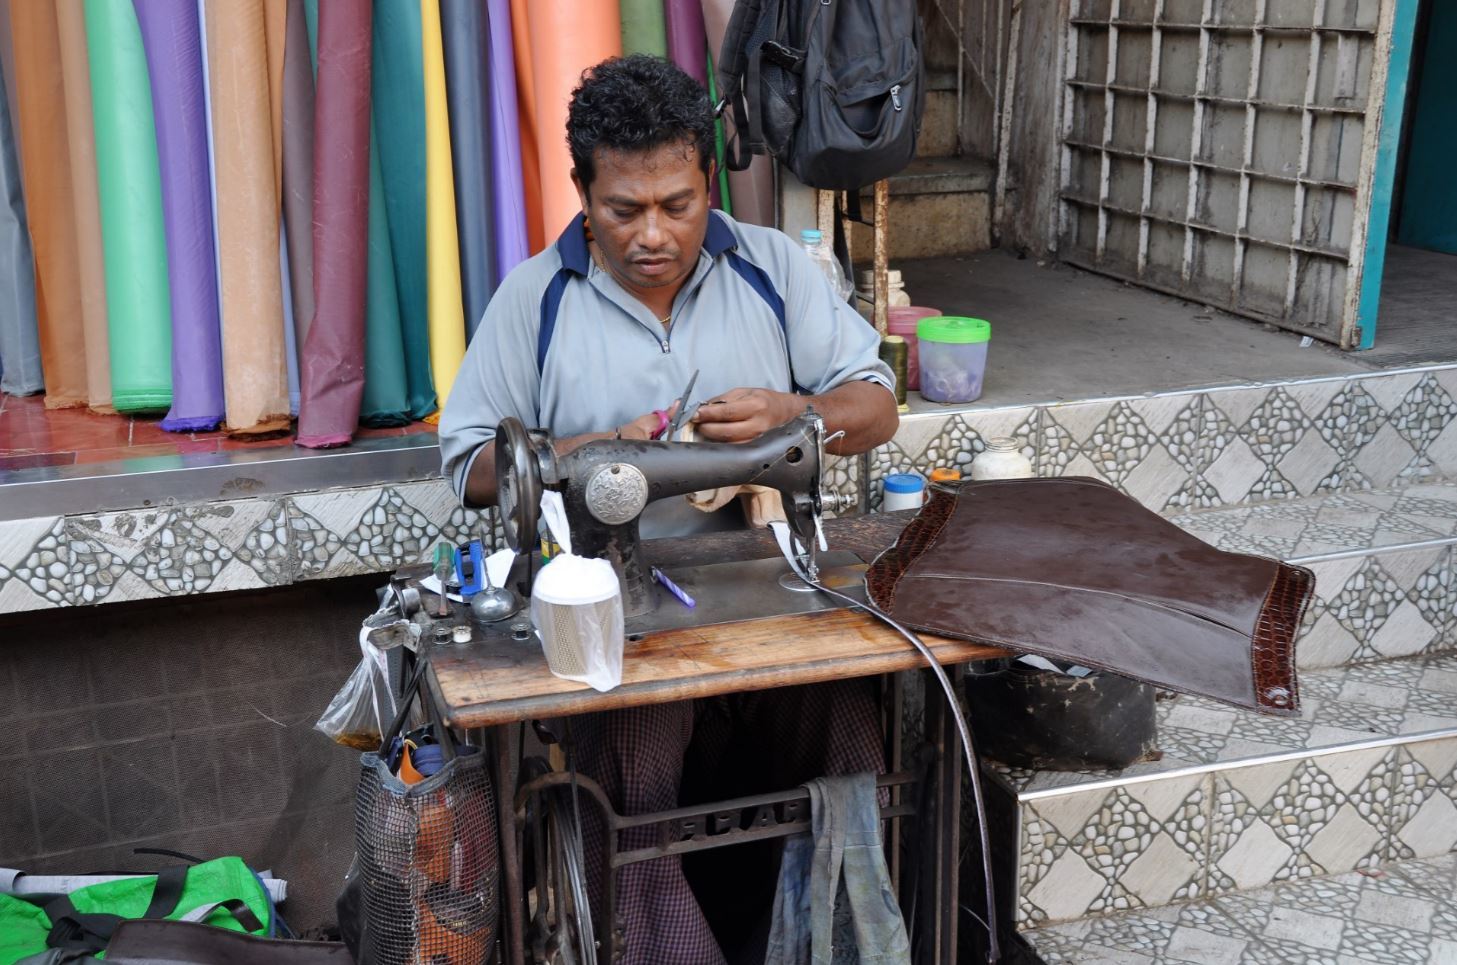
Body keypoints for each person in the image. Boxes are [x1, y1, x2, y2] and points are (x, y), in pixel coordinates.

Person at [439, 54, 899, 964]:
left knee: (847, 724)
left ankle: (833, 941)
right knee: (639, 756)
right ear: (582, 191)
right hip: (621, 604)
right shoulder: (534, 299)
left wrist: (793, 413)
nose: (653, 232)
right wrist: (593, 452)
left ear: (708, 182)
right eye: (623, 208)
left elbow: (874, 403)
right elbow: (469, 466)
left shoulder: (772, 268)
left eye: (677, 205)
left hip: (764, 582)